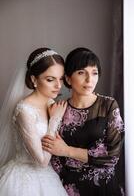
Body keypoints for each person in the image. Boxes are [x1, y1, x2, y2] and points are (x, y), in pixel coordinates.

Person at [42, 47, 125, 196]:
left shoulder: (108, 105)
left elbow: (112, 156)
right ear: (68, 78)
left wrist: (67, 151)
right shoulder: (57, 109)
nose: (89, 80)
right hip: (68, 190)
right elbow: (52, 155)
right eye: (81, 73)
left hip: (103, 188)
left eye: (94, 73)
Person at [0, 47, 68, 196]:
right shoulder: (24, 110)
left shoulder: (52, 104)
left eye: (61, 78)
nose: (58, 85)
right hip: (23, 181)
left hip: (49, 179)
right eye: (50, 79)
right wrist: (54, 120)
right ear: (33, 79)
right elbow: (42, 161)